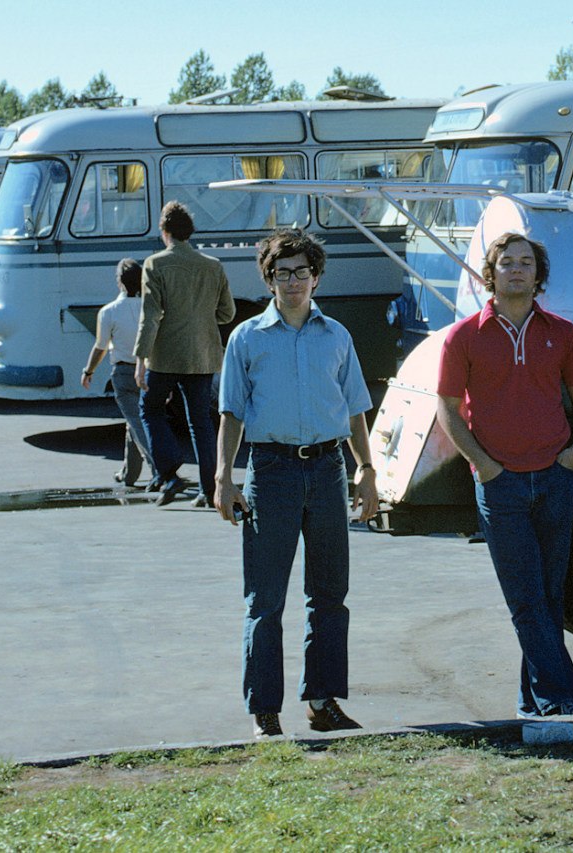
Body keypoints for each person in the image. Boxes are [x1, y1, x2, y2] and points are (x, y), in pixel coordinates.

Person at [215, 229, 379, 738]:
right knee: (265, 598)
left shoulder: (336, 335)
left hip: (328, 471)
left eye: (301, 272)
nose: (292, 282)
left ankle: (323, 703)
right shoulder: (247, 338)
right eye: (281, 273)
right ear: (269, 279)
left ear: (316, 277)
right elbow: (230, 413)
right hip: (272, 473)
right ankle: (265, 710)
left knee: (329, 593)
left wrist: (367, 471)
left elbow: (355, 411)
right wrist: (224, 476)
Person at [436, 232, 573, 719]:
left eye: (526, 263)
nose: (517, 270)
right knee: (526, 598)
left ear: (538, 275)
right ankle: (563, 700)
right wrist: (484, 466)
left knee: (548, 596)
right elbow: (445, 408)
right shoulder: (464, 335)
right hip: (499, 484)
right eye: (506, 262)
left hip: (554, 477)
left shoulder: (563, 333)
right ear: (491, 274)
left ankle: (535, 699)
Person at [134, 201, 235, 508]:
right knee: (201, 422)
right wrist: (200, 319)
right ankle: (208, 490)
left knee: (150, 409)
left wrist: (140, 359)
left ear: (165, 232)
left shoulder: (154, 264)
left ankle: (169, 472)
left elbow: (150, 315)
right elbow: (227, 313)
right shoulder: (212, 265)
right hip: (202, 355)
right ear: (189, 232)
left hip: (165, 356)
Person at [80, 258, 156, 489]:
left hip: (123, 374)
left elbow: (101, 346)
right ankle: (128, 473)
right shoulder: (151, 309)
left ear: (120, 283)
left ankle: (160, 470)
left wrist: (88, 370)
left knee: (137, 422)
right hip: (150, 371)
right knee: (133, 422)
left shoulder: (108, 312)